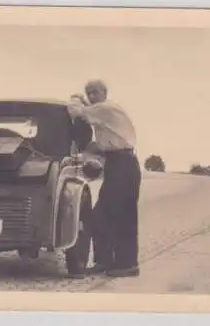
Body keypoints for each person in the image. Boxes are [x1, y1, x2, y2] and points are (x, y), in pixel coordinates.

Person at [67, 79, 141, 278]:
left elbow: (75, 111)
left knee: (105, 215)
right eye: (88, 93)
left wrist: (76, 98)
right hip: (121, 163)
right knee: (116, 215)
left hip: (122, 165)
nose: (92, 96)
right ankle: (116, 262)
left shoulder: (105, 109)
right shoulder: (103, 113)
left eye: (95, 92)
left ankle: (120, 263)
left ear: (104, 93)